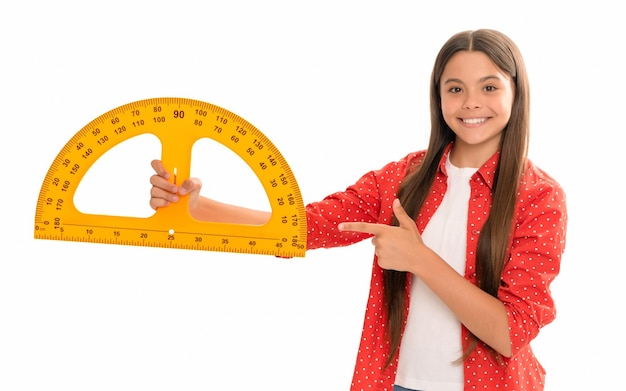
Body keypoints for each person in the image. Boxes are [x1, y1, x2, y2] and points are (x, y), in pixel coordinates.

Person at [148, 29, 568, 391]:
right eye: (455, 88)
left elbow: (511, 333)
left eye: (489, 87)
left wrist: (418, 258)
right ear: (438, 97)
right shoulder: (403, 177)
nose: (471, 102)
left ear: (517, 91)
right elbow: (305, 227)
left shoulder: (538, 197)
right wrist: (200, 208)